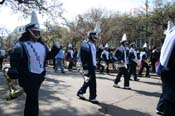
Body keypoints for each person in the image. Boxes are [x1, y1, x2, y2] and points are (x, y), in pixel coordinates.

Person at [8, 11, 59, 116]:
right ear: (28, 31)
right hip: (27, 76)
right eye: (34, 31)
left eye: (38, 31)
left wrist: (55, 50)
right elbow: (15, 58)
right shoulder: (21, 45)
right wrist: (13, 68)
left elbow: (47, 57)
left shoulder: (43, 45)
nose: (36, 33)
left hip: (39, 76)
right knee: (33, 98)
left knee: (32, 98)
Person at [156, 20, 175, 116]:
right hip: (169, 72)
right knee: (169, 99)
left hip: (166, 71)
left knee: (167, 95)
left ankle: (159, 107)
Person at [76, 31, 100, 104]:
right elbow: (84, 57)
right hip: (87, 66)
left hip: (92, 66)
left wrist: (100, 50)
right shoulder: (85, 45)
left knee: (89, 81)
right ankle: (92, 97)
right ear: (90, 36)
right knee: (92, 82)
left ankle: (81, 92)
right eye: (94, 37)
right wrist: (85, 68)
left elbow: (94, 56)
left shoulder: (93, 45)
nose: (96, 38)